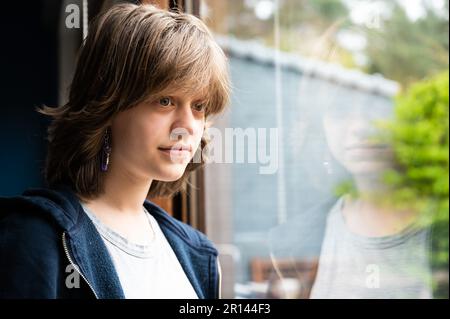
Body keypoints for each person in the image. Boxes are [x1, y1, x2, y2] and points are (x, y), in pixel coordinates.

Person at [0, 3, 230, 299]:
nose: (186, 127)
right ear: (107, 105)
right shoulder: (34, 238)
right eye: (165, 101)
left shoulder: (198, 255)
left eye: (198, 107)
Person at [270, 90, 434, 299]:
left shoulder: (439, 225)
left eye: (377, 106)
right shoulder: (295, 241)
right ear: (322, 126)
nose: (360, 127)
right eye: (340, 110)